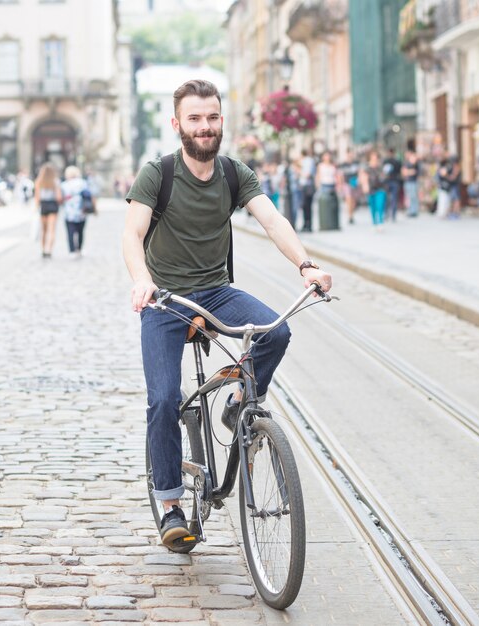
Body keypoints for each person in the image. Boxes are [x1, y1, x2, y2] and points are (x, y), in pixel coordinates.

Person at [122, 79, 332, 550]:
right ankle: (172, 503)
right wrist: (142, 279)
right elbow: (132, 235)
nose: (205, 126)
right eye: (195, 119)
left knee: (275, 332)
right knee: (162, 399)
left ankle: (238, 402)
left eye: (212, 117)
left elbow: (272, 219)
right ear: (178, 124)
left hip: (216, 292)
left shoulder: (235, 174)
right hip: (166, 300)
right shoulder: (158, 174)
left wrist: (306, 264)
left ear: (222, 121)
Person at [61, 165, 91, 258]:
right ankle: (80, 248)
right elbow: (89, 195)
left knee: (70, 232)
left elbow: (61, 198)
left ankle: (72, 251)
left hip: (69, 212)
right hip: (81, 211)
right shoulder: (83, 183)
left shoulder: (64, 185)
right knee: (80, 231)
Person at [34, 162, 62, 258]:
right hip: (53, 205)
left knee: (44, 230)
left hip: (44, 205)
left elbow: (37, 198)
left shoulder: (39, 181)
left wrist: (36, 208)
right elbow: (58, 197)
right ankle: (49, 250)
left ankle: (43, 249)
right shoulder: (55, 181)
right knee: (52, 230)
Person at [359, 151, 387, 231]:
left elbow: (384, 177)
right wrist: (365, 185)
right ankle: (374, 223)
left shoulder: (381, 168)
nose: (374, 160)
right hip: (371, 190)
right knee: (373, 207)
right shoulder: (366, 168)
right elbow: (363, 178)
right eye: (373, 158)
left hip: (380, 189)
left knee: (380, 206)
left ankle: (380, 222)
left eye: (376, 158)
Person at [338, 150, 360, 224]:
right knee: (349, 200)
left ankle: (352, 214)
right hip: (346, 184)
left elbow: (359, 173)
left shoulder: (356, 163)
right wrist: (340, 184)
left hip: (355, 184)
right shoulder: (343, 164)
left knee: (353, 201)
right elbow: (340, 175)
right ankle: (350, 216)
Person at [382, 148, 402, 222]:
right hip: (395, 181)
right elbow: (400, 171)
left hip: (388, 181)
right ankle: (393, 215)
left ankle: (386, 214)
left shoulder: (386, 161)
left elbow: (384, 172)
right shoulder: (397, 161)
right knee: (394, 199)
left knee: (387, 199)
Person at [298, 149, 316, 232]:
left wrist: (298, 171)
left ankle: (308, 225)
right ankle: (306, 224)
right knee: (305, 206)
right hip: (305, 186)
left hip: (307, 186)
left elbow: (307, 175)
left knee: (307, 206)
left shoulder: (307, 161)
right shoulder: (309, 161)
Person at [402, 144, 420, 217]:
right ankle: (410, 210)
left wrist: (409, 172)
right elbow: (404, 172)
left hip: (413, 182)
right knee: (409, 197)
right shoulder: (406, 163)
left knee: (413, 196)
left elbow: (415, 172)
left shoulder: (415, 164)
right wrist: (410, 172)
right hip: (408, 182)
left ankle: (414, 211)